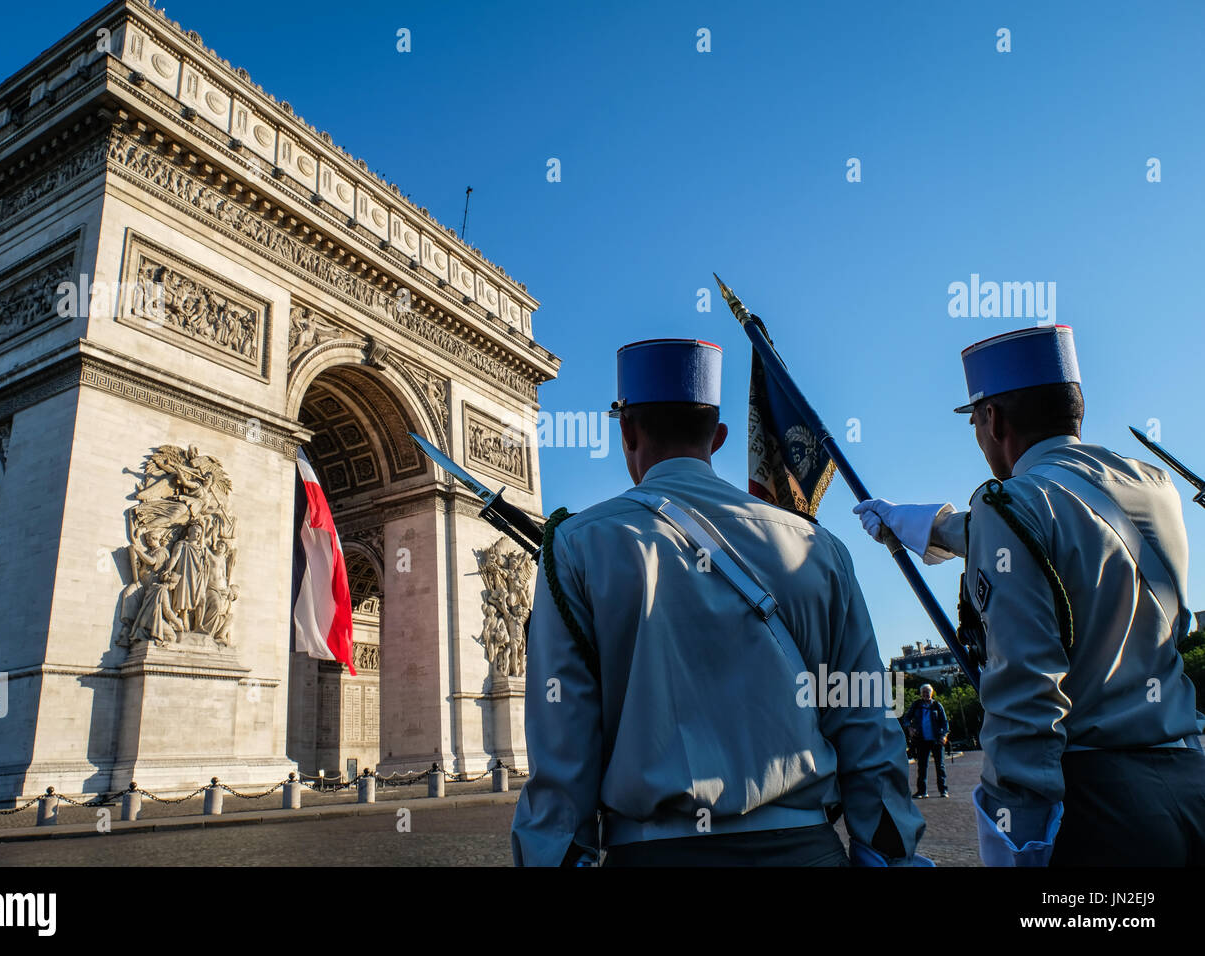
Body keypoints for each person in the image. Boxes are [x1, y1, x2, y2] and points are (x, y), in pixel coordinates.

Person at [511, 337, 925, 866]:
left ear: (627, 430)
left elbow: (561, 747)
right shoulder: (819, 549)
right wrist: (889, 851)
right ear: (720, 436)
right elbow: (867, 720)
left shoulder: (574, 548)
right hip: (807, 849)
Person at [853, 325, 1205, 866]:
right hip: (1188, 780)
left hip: (1101, 802)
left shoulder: (1009, 504)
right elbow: (1059, 535)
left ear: (992, 418)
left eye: (974, 419)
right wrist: (915, 522)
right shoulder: (1152, 485)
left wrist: (1017, 834)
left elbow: (1025, 694)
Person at [901, 684, 949, 798]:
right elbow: (906, 718)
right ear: (921, 693)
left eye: (928, 692)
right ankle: (922, 791)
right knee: (922, 766)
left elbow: (944, 722)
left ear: (931, 693)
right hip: (921, 740)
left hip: (936, 739)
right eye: (923, 692)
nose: (926, 694)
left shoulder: (937, 706)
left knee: (940, 766)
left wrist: (944, 735)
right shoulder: (916, 705)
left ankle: (943, 790)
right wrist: (910, 728)